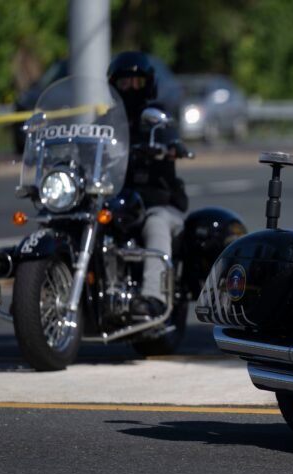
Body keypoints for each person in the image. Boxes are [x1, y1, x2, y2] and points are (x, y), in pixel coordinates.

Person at [107, 51, 189, 317]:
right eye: (124, 82)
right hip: (119, 203)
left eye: (136, 82)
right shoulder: (106, 120)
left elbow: (171, 135)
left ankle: (153, 297)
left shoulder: (157, 115)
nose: (130, 87)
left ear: (148, 84)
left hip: (158, 204)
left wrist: (170, 146)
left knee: (155, 225)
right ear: (114, 85)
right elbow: (87, 144)